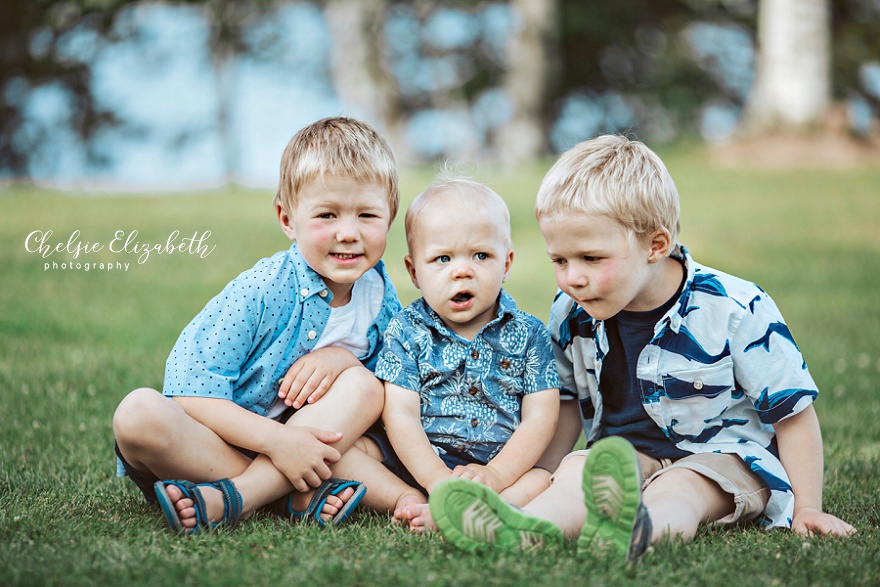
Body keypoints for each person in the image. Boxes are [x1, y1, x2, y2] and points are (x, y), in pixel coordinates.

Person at [428, 134, 856, 560]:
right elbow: (565, 405)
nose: (572, 277)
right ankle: (527, 529)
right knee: (578, 473)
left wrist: (808, 507)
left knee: (682, 488)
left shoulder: (734, 308)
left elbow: (793, 414)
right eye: (559, 260)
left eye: (591, 259)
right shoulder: (571, 311)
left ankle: (637, 533)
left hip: (721, 460)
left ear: (655, 245)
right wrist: (544, 474)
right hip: (618, 461)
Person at [112, 116, 402, 533]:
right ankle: (288, 496)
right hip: (217, 444)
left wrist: (343, 360)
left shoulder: (379, 295)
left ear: (390, 216)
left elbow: (391, 392)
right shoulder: (262, 290)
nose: (348, 232)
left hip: (307, 445)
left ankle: (235, 498)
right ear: (287, 219)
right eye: (326, 215)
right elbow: (191, 392)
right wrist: (279, 443)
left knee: (364, 386)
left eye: (367, 215)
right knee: (137, 414)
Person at [362, 177, 562, 532]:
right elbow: (401, 415)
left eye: (481, 255)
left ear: (506, 263)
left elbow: (540, 417)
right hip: (419, 462)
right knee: (353, 453)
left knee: (543, 480)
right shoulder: (406, 331)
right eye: (442, 258)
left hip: (503, 463)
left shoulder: (529, 333)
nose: (462, 270)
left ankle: (489, 508)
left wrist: (497, 475)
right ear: (414, 272)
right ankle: (413, 498)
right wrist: (437, 478)